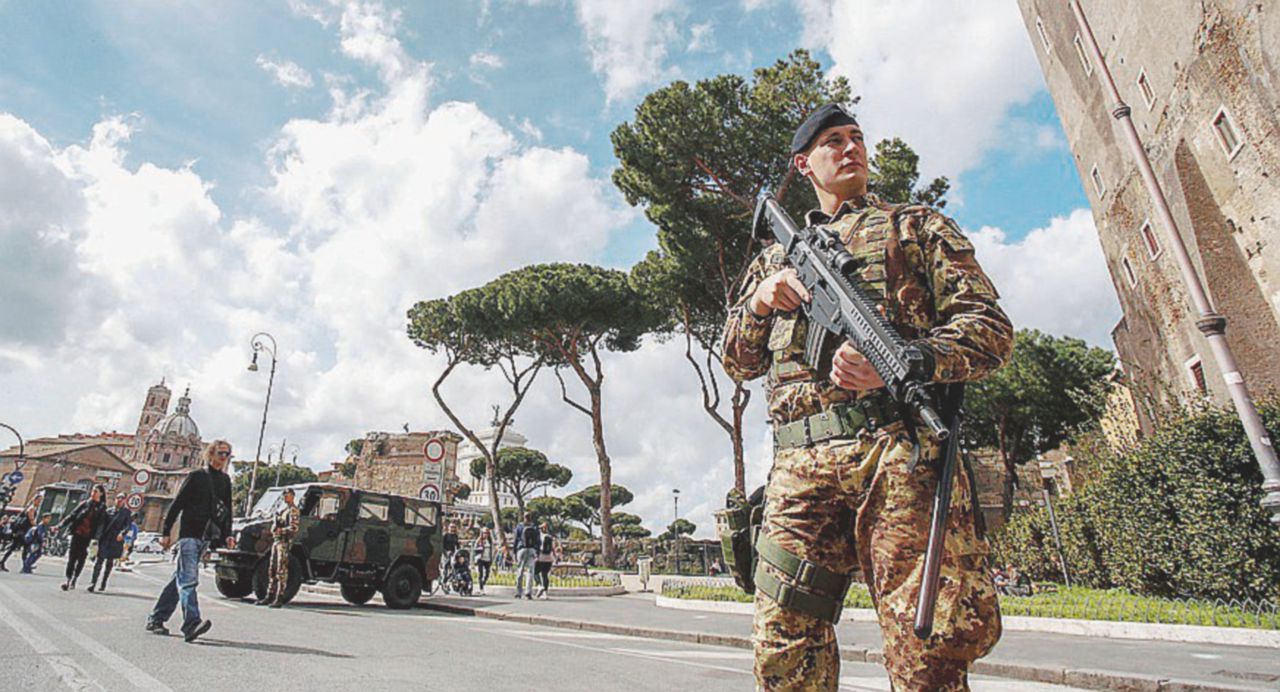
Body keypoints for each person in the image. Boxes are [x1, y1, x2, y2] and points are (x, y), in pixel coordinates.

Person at [722, 103, 1012, 690]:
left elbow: (989, 330)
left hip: (898, 453)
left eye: (857, 137)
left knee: (923, 649)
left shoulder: (915, 226)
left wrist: (908, 360)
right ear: (804, 164)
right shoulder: (772, 260)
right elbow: (736, 361)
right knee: (783, 641)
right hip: (798, 464)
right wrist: (759, 302)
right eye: (834, 140)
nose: (851, 147)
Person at [146, 439, 235, 643]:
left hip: (206, 536)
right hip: (189, 534)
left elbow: (227, 510)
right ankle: (191, 624)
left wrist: (227, 534)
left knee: (179, 578)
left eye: (227, 454)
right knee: (188, 581)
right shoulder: (196, 477)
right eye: (221, 453)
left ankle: (156, 618)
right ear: (211, 454)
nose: (224, 457)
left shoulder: (225, 481)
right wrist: (166, 531)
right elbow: (177, 504)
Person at [58, 484, 108, 591]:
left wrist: (96, 539)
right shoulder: (85, 504)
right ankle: (68, 579)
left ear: (101, 493)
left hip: (88, 537)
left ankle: (74, 579)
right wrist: (60, 525)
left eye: (96, 491)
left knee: (81, 558)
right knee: (72, 557)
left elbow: (101, 525)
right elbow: (72, 515)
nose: (93, 493)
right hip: (77, 533)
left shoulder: (102, 508)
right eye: (93, 491)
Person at [259, 487, 299, 608]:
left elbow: (294, 528)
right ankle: (269, 595)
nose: (285, 497)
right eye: (284, 495)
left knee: (281, 570)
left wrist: (281, 530)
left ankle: (279, 597)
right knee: (272, 569)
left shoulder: (293, 510)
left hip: (284, 542)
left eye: (287, 495)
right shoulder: (283, 510)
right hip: (276, 541)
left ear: (292, 496)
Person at [88, 493, 133, 592]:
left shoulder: (126, 513)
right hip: (105, 539)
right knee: (99, 561)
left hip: (116, 540)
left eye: (122, 499)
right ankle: (93, 582)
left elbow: (128, 525)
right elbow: (101, 525)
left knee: (109, 562)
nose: (119, 500)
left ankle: (103, 583)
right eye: (118, 498)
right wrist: (97, 537)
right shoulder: (108, 511)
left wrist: (122, 533)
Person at [512, 513, 540, 600]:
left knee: (520, 570)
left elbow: (516, 539)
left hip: (521, 549)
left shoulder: (519, 527)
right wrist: (537, 551)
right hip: (532, 549)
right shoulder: (535, 527)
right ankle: (528, 592)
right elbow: (538, 540)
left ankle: (518, 592)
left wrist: (514, 551)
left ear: (523, 517)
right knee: (530, 572)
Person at [0, 506, 35, 572]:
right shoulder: (31, 509)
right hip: (24, 533)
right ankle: (25, 567)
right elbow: (32, 521)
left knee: (13, 549)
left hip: (19, 533)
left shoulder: (26, 510)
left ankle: (2, 562)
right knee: (24, 550)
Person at [533, 522, 558, 599]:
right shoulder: (551, 537)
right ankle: (545, 594)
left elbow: (537, 547)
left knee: (535, 573)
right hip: (549, 558)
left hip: (541, 557)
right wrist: (555, 558)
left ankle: (539, 586)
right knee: (545, 575)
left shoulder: (539, 537)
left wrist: (535, 556)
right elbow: (553, 549)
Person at [473, 527, 494, 595]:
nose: (486, 534)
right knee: (480, 574)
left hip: (487, 559)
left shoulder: (490, 541)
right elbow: (474, 549)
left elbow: (492, 549)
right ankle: (481, 588)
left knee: (487, 573)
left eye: (487, 533)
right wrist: (480, 548)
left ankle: (483, 583)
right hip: (480, 559)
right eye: (484, 533)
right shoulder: (479, 540)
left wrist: (492, 558)